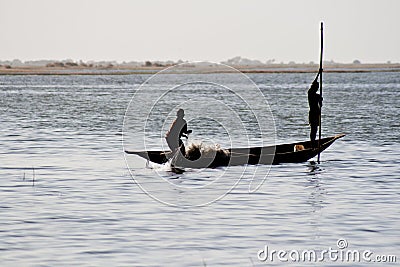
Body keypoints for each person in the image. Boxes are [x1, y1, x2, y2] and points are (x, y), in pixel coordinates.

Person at [308, 73, 323, 148]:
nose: (317, 89)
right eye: (316, 87)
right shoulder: (310, 93)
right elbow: (314, 82)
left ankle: (313, 143)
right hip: (313, 114)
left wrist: (320, 101)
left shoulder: (317, 96)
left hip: (317, 113)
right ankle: (312, 143)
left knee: (315, 129)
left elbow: (320, 105)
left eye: (318, 87)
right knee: (313, 129)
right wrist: (318, 74)